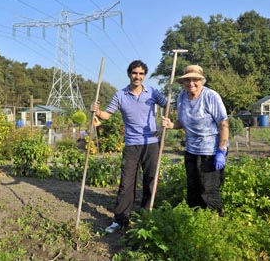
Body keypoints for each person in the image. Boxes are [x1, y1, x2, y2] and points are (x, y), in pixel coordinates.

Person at [91, 60, 167, 233]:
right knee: (126, 183)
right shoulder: (120, 95)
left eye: (141, 74)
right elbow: (107, 115)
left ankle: (147, 216)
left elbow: (167, 105)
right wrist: (97, 111)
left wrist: (165, 119)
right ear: (129, 74)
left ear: (144, 76)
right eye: (134, 73)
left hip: (151, 144)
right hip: (132, 144)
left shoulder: (153, 92)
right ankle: (121, 219)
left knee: (150, 181)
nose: (137, 77)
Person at [162, 64, 229, 216]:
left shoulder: (211, 96)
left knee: (209, 190)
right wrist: (171, 125)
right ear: (183, 82)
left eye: (195, 80)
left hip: (210, 151)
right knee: (193, 189)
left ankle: (214, 222)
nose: (191, 83)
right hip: (191, 150)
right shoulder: (181, 98)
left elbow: (223, 124)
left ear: (201, 81)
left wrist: (222, 149)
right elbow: (181, 122)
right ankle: (194, 221)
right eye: (187, 80)